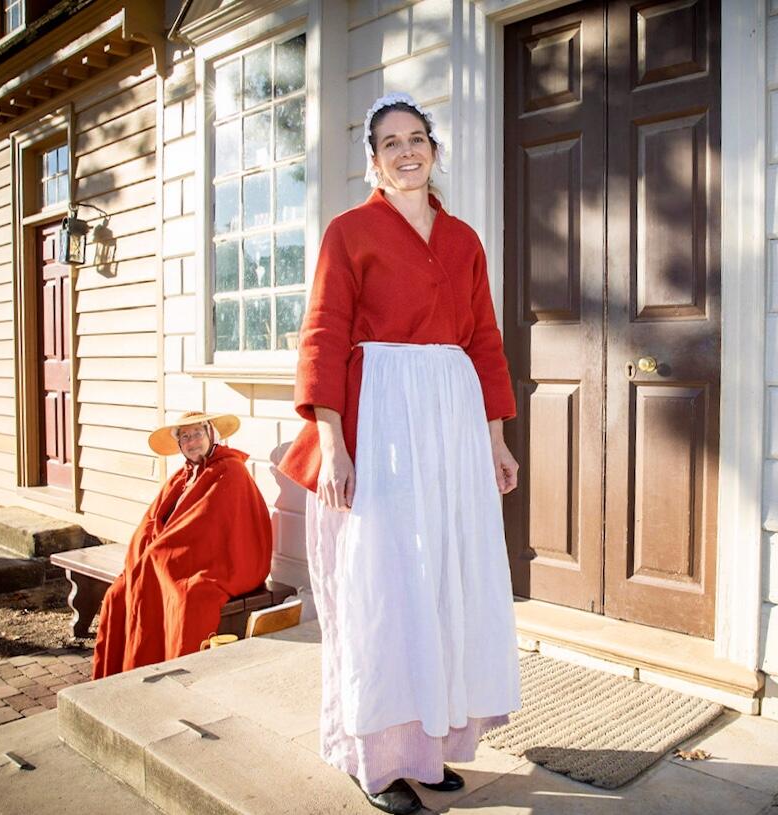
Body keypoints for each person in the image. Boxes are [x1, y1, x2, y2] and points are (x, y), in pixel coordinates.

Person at [278, 92, 521, 815]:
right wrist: (333, 440)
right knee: (382, 585)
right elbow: (322, 334)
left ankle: (425, 747)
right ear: (373, 161)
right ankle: (377, 758)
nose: (408, 151)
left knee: (442, 581)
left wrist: (496, 440)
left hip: (449, 418)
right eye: (392, 142)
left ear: (435, 151)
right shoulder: (350, 232)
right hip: (377, 415)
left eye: (418, 138)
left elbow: (484, 341)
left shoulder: (464, 240)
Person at [92, 411, 274, 679]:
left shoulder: (229, 470)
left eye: (198, 433)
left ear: (211, 434)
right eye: (185, 436)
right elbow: (152, 520)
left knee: (187, 601)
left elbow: (207, 527)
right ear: (179, 445)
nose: (192, 441)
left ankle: (174, 678)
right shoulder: (183, 475)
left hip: (220, 563)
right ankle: (121, 679)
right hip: (174, 559)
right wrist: (146, 548)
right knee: (117, 595)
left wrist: (159, 553)